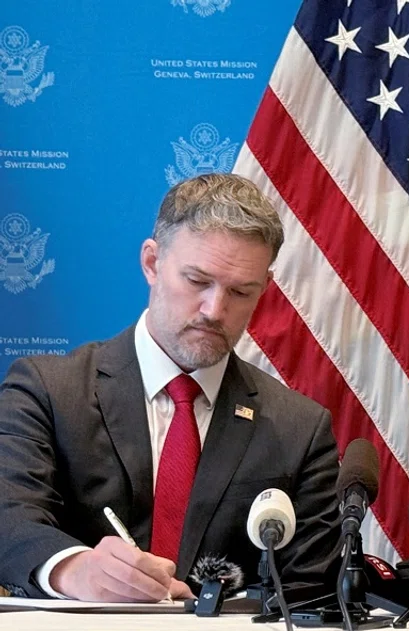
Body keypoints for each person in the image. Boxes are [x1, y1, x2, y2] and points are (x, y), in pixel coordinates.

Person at [0, 173, 341, 601]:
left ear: (265, 289)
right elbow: (9, 515)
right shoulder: (49, 391)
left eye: (240, 291)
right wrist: (74, 569)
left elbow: (306, 589)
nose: (215, 310)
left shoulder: (300, 430)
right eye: (197, 281)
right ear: (151, 263)